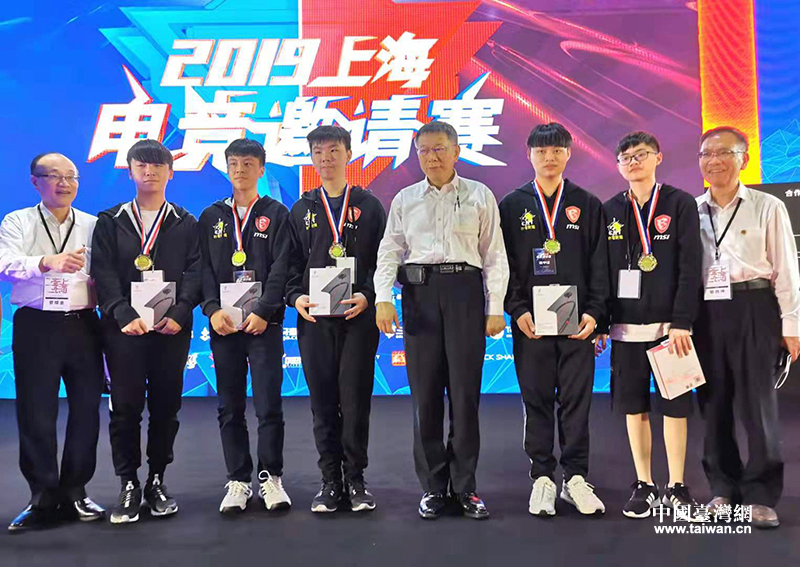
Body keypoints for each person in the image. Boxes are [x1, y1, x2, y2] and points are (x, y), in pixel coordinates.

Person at [374, 120, 508, 520]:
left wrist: (495, 306)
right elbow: (389, 252)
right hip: (420, 295)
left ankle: (466, 488)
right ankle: (434, 487)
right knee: (426, 395)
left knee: (465, 395)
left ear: (456, 152)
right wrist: (384, 298)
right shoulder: (405, 199)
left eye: (439, 149)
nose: (431, 157)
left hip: (465, 293)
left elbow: (494, 255)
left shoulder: (479, 195)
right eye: (424, 151)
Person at [498, 123, 607, 517]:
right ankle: (542, 477)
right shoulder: (511, 205)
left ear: (568, 153)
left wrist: (596, 314)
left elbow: (599, 264)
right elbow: (503, 265)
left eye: (557, 150)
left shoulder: (587, 203)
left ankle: (575, 478)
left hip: (577, 324)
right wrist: (517, 310)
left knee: (577, 402)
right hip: (532, 324)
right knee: (537, 400)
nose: (549, 157)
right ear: (528, 154)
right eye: (541, 151)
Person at [694, 126, 800, 529]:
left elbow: (786, 269)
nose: (714, 161)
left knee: (758, 405)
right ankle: (723, 487)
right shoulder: (691, 210)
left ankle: (760, 494)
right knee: (713, 404)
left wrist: (792, 324)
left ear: (745, 158)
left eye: (724, 152)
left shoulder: (767, 206)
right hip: (707, 312)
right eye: (706, 154)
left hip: (756, 307)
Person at [92, 139, 202, 524]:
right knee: (125, 408)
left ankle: (157, 479)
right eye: (141, 165)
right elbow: (102, 273)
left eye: (157, 166)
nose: (149, 172)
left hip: (171, 329)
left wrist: (181, 312)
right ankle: (128, 482)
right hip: (124, 330)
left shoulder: (186, 222)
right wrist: (122, 313)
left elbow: (196, 271)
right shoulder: (111, 221)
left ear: (171, 173)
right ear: (130, 172)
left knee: (166, 407)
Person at [595, 132, 702, 518]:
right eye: (626, 157)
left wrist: (682, 321)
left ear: (658, 157)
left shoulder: (680, 203)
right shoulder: (609, 210)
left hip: (671, 331)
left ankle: (677, 485)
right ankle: (643, 483)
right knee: (633, 407)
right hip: (625, 330)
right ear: (618, 166)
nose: (633, 162)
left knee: (675, 407)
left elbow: (690, 267)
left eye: (641, 155)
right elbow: (602, 270)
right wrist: (601, 323)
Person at [0, 153, 105, 532]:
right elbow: (4, 263)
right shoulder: (17, 221)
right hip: (36, 325)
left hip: (83, 325)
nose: (64, 183)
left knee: (87, 410)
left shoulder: (94, 225)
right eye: (54, 176)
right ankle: (43, 496)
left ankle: (76, 490)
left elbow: (108, 271)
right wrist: (47, 262)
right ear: (35, 181)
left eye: (71, 177)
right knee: (35, 412)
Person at [287, 125, 386, 513]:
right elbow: (289, 264)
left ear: (348, 153)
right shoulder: (301, 209)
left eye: (333, 150)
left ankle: (356, 479)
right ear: (311, 158)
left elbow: (383, 261)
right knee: (323, 403)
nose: (325, 158)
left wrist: (369, 295)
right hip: (315, 321)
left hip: (357, 317)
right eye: (318, 152)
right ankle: (330, 480)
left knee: (356, 401)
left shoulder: (369, 205)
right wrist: (296, 298)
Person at [199, 138, 293, 514]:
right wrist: (210, 309)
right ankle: (237, 480)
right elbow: (203, 268)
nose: (240, 170)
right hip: (224, 325)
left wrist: (265, 310)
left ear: (261, 169)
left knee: (269, 405)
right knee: (229, 406)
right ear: (227, 169)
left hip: (263, 325)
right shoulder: (211, 216)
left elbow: (282, 266)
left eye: (248, 164)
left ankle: (271, 477)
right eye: (234, 164)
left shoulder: (277, 213)